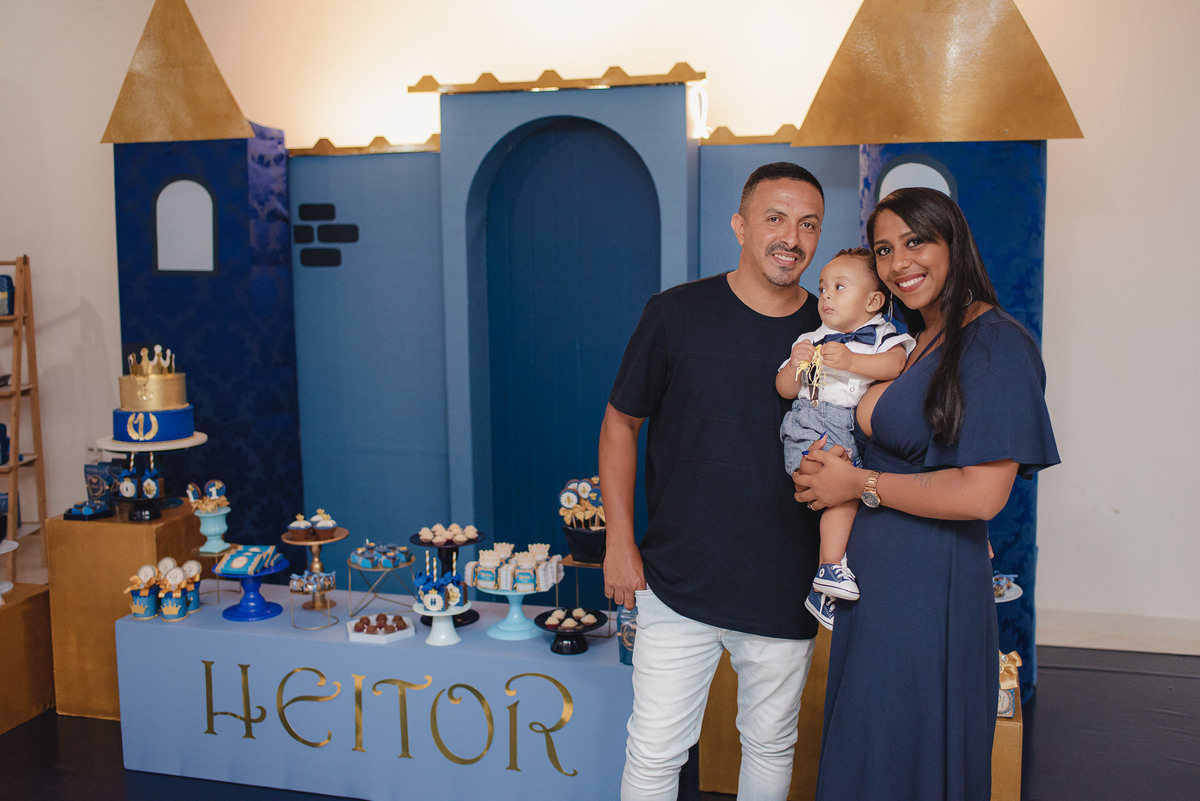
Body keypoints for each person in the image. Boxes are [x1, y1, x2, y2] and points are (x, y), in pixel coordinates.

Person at [793, 187, 1059, 801]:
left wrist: (855, 484)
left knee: (904, 755)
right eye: (885, 249)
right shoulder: (917, 338)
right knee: (869, 751)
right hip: (876, 578)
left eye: (916, 241)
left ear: (953, 242)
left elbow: (981, 495)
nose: (899, 262)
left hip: (926, 584)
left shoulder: (995, 343)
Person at [600, 162, 825, 801]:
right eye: (775, 218)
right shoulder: (676, 314)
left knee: (770, 747)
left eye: (808, 224)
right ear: (740, 226)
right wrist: (619, 542)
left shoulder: (834, 334)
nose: (791, 238)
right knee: (654, 753)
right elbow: (620, 424)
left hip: (783, 585)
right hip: (677, 582)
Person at [775, 248, 913, 630]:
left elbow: (896, 364)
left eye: (839, 287)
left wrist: (851, 361)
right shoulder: (811, 338)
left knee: (850, 497)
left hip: (848, 428)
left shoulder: (881, 335)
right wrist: (796, 364)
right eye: (823, 288)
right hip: (809, 425)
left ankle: (826, 581)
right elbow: (784, 389)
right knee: (843, 494)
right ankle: (830, 568)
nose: (826, 296)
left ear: (873, 301)